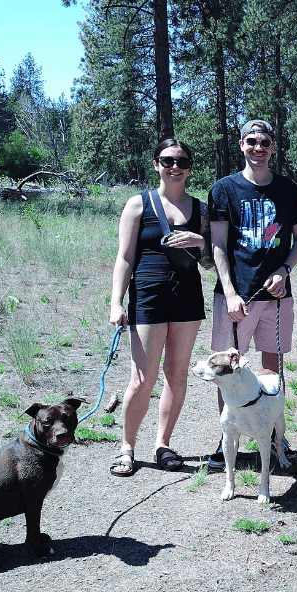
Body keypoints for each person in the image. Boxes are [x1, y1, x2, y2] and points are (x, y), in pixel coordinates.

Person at [207, 119, 297, 468]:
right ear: (241, 144)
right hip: (235, 299)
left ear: (273, 147)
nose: (258, 148)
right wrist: (230, 292)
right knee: (226, 372)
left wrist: (285, 270)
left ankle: (275, 437)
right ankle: (227, 441)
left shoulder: (287, 189)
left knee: (272, 372)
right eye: (251, 141)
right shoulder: (224, 189)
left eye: (264, 142)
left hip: (277, 299)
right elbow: (217, 244)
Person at [109, 139, 212, 476]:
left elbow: (210, 262)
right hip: (148, 296)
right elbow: (125, 258)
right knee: (142, 378)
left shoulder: (200, 210)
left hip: (187, 299)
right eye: (168, 161)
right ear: (156, 164)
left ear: (190, 167)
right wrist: (116, 301)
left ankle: (163, 444)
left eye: (182, 161)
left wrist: (201, 241)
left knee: (177, 374)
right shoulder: (138, 205)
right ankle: (127, 447)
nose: (175, 167)